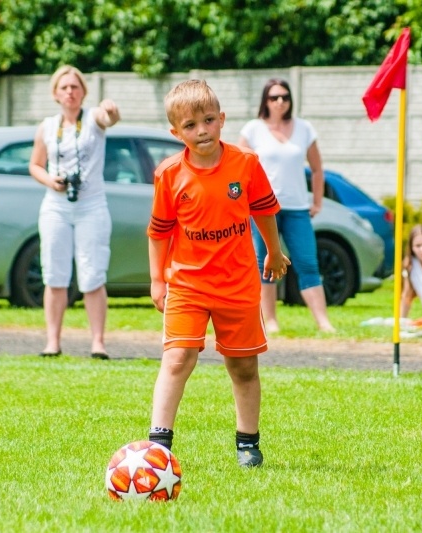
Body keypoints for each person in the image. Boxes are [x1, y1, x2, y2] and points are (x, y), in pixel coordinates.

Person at [146, 80, 289, 467]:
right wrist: (158, 280)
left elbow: (264, 211)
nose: (202, 130)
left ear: (222, 119)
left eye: (209, 120)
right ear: (176, 133)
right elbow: (159, 232)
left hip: (238, 284)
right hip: (187, 284)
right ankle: (159, 446)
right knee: (178, 358)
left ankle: (247, 443)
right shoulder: (169, 174)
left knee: (243, 366)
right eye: (190, 125)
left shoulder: (246, 164)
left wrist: (274, 252)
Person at [28, 65, 121, 359]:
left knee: (92, 273)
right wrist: (50, 181)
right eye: (64, 87)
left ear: (83, 91)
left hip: (91, 205)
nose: (70, 92)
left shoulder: (93, 118)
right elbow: (35, 165)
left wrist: (111, 110)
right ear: (55, 93)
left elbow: (109, 119)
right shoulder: (46, 126)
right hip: (56, 206)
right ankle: (52, 342)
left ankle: (98, 343)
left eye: (75, 87)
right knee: (54, 273)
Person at [237, 78, 335, 333]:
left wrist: (317, 200)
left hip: (296, 209)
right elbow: (237, 171)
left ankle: (323, 322)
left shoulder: (304, 128)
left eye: (285, 97)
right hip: (261, 209)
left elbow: (316, 168)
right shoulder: (252, 130)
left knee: (307, 262)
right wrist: (241, 204)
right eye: (274, 97)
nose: (280, 102)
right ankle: (270, 322)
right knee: (263, 264)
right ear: (265, 101)